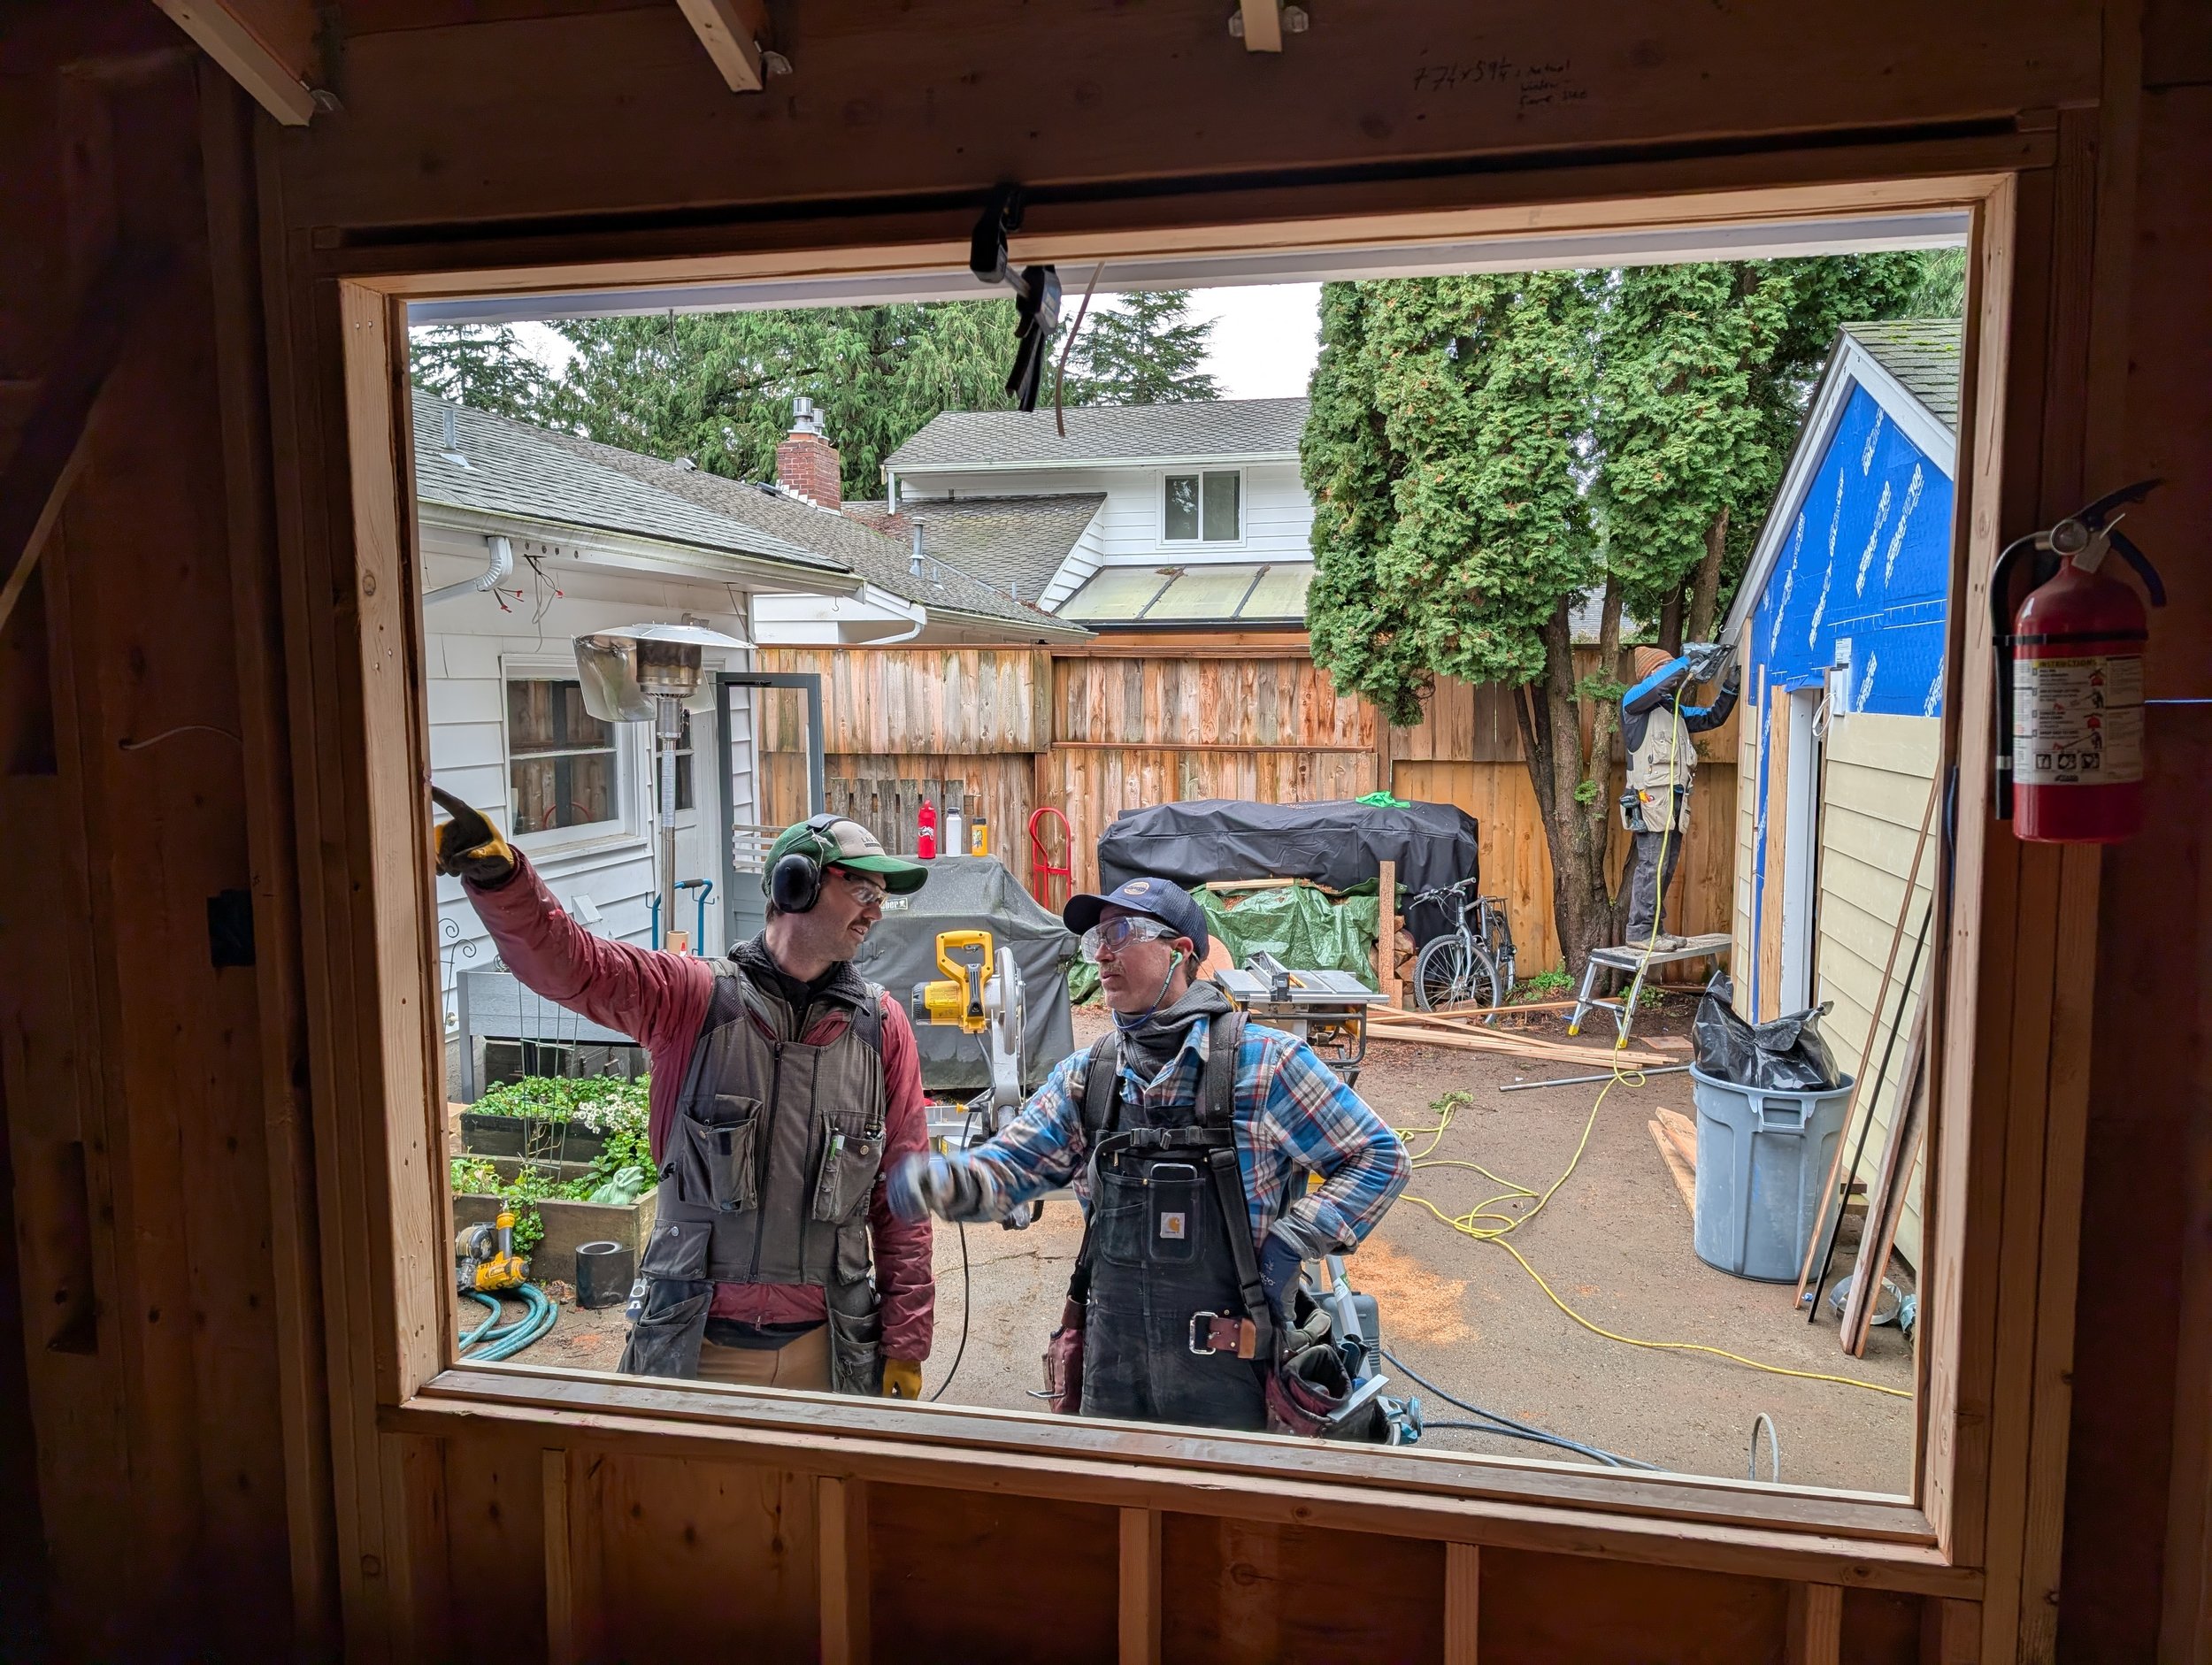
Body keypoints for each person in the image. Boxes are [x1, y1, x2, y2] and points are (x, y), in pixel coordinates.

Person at [432, 792, 935, 1398]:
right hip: (694, 1347)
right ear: (796, 885)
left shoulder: (880, 1029)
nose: (875, 913)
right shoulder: (689, 1000)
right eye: (863, 892)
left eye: (880, 898)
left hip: (829, 1348)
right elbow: (572, 965)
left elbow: (903, 1200)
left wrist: (906, 1343)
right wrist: (503, 879)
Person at [887, 876, 1409, 1433]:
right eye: (1096, 939)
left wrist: (1294, 1238)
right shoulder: (1090, 1078)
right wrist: (949, 1182)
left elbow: (1380, 1158)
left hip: (1236, 1385)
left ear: (1180, 951)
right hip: (1113, 1379)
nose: (1103, 952)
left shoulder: (1266, 1067)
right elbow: (1011, 1169)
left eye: (1120, 933)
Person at [1618, 645, 1740, 948]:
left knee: (1666, 867)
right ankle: (1640, 932)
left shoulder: (1674, 711)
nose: (1674, 679)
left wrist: (1731, 686)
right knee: (1652, 865)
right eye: (1667, 670)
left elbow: (1713, 717)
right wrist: (1688, 661)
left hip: (1673, 804)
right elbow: (1659, 683)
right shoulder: (1634, 704)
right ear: (1652, 674)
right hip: (1649, 804)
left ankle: (1655, 930)